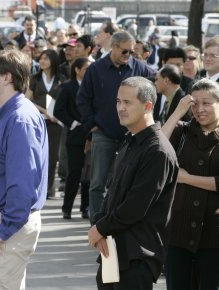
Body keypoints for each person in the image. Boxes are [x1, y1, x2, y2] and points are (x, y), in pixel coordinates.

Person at [88, 76, 179, 289]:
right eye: (118, 101)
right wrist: (99, 225)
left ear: (147, 106)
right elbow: (112, 193)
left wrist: (100, 228)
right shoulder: (131, 141)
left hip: (136, 255)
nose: (120, 107)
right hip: (112, 249)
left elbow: (136, 206)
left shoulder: (157, 150)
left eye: (127, 102)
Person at [0, 49, 48, 290]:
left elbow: (23, 182)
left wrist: (2, 231)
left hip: (6, 225)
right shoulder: (8, 114)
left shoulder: (19, 119)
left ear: (7, 78)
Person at [77, 31, 153, 223]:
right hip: (103, 133)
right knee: (97, 183)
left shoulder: (141, 69)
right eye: (125, 51)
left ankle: (116, 224)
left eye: (132, 51)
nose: (129, 55)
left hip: (133, 136)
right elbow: (83, 99)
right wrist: (92, 125)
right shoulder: (96, 70)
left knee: (125, 183)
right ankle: (96, 225)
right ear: (114, 46)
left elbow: (154, 93)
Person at [161, 79, 219, 290]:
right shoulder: (182, 131)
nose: (200, 109)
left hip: (214, 235)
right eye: (195, 104)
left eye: (207, 103)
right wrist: (177, 112)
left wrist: (185, 178)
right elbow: (155, 150)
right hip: (179, 231)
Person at [54, 57, 91, 219]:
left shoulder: (93, 87)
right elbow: (58, 110)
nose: (88, 72)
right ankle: (67, 208)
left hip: (91, 134)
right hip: (75, 135)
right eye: (85, 69)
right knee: (74, 173)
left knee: (89, 175)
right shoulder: (67, 87)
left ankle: (85, 208)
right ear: (77, 69)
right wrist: (73, 123)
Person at [26, 49, 65, 198]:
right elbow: (26, 99)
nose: (42, 61)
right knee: (36, 155)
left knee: (52, 157)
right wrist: (43, 110)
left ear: (53, 61)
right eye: (41, 58)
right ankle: (35, 187)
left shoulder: (61, 79)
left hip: (56, 122)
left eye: (46, 59)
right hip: (38, 120)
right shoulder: (34, 78)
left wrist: (57, 115)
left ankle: (48, 189)